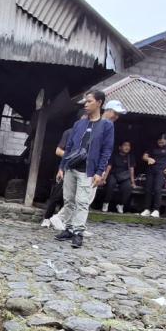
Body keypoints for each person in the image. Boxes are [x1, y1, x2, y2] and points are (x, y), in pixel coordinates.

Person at [55, 90, 114, 249]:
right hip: (71, 168)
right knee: (68, 200)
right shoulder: (79, 124)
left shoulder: (106, 125)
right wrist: (62, 167)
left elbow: (106, 150)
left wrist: (99, 172)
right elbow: (69, 147)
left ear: (99, 103)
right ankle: (67, 229)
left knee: (82, 202)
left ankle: (78, 233)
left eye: (89, 101)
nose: (86, 104)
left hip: (88, 171)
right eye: (85, 102)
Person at [141, 133, 166, 218]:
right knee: (148, 189)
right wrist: (148, 158)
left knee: (157, 189)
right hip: (150, 170)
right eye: (159, 142)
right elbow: (144, 156)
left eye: (162, 142)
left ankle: (156, 210)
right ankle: (146, 209)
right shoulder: (152, 145)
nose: (161, 144)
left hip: (162, 171)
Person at [40, 126, 72, 228]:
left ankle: (62, 220)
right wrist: (61, 168)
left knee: (69, 197)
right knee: (56, 194)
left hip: (78, 170)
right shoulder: (69, 132)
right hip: (65, 167)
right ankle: (47, 218)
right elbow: (60, 151)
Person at [102, 141, 135, 214]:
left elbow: (131, 169)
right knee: (110, 184)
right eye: (125, 145)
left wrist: (133, 182)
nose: (127, 147)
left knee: (127, 187)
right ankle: (106, 203)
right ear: (120, 147)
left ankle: (120, 205)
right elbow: (109, 167)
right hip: (114, 175)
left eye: (128, 146)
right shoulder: (114, 156)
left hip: (124, 177)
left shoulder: (130, 157)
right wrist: (104, 179)